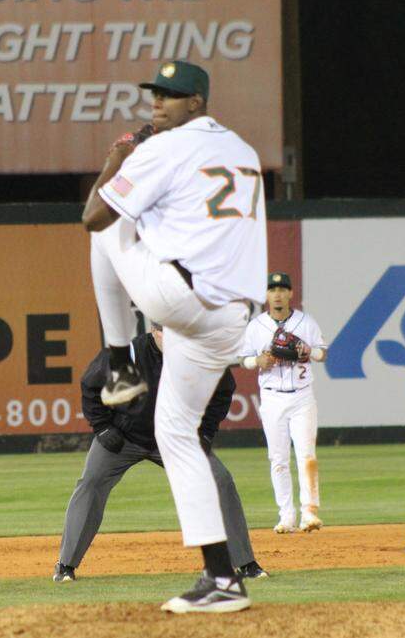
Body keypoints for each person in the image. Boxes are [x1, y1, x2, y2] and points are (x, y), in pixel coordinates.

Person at [81, 60, 267, 613]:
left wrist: (116, 162)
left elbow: (94, 214)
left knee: (108, 227)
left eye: (173, 95)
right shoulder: (242, 151)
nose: (159, 102)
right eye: (155, 93)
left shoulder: (165, 148)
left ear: (197, 102)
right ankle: (222, 580)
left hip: (182, 299)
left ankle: (118, 361)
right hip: (232, 317)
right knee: (178, 436)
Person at [53, 323, 268, 583]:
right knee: (91, 483)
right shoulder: (128, 353)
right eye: (168, 332)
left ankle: (245, 563)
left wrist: (206, 433)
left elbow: (223, 391)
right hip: (125, 437)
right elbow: (90, 384)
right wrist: (102, 428)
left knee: (220, 481)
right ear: (155, 331)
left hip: (177, 439)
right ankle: (65, 565)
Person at [238, 272, 329, 534]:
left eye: (282, 289)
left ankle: (310, 513)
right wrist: (257, 361)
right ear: (266, 295)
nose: (277, 293)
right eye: (272, 289)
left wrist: (310, 351)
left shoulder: (305, 322)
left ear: (290, 293)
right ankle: (286, 516)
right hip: (272, 396)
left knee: (307, 455)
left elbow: (323, 353)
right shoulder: (256, 326)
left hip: (302, 396)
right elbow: (242, 358)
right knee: (277, 458)